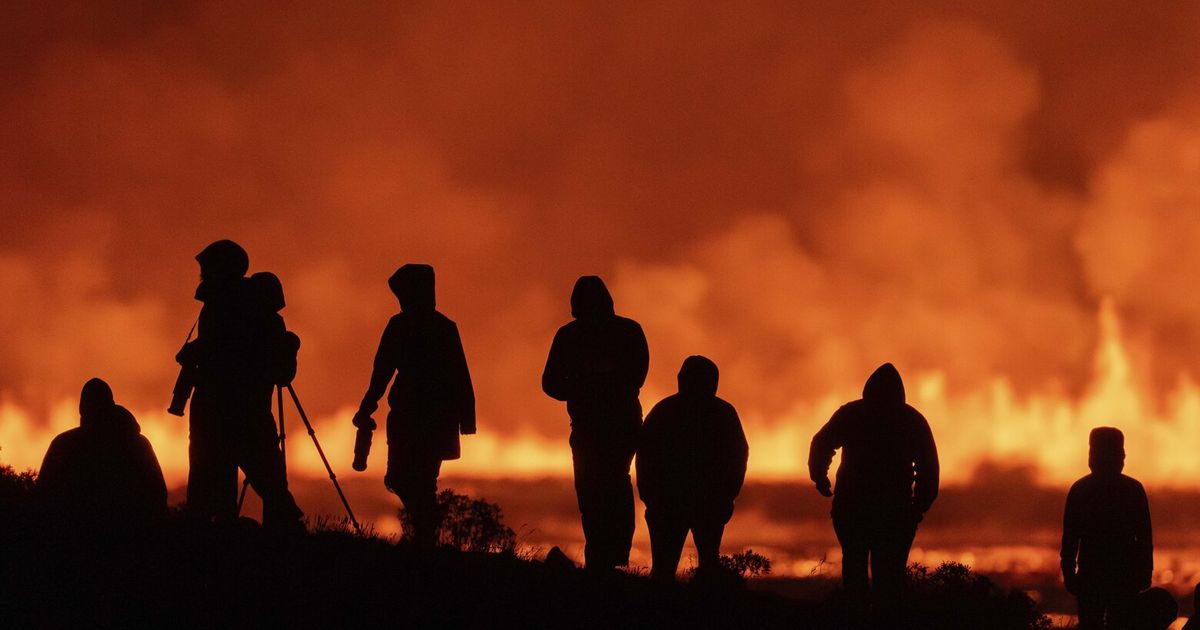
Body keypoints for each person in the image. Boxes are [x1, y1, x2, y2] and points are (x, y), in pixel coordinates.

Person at [177, 240, 303, 530]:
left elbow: (226, 351)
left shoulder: (221, 306)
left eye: (207, 268)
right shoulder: (253, 306)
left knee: (214, 478)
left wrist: (196, 353)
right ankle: (285, 535)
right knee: (268, 479)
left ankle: (221, 536)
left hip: (220, 409)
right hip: (250, 410)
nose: (202, 274)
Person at [353, 264, 475, 547]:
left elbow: (382, 370)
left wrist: (368, 405)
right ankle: (425, 530)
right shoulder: (436, 326)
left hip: (422, 417)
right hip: (426, 418)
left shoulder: (410, 326)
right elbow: (382, 369)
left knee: (412, 478)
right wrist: (369, 403)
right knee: (407, 478)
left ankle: (424, 535)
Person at [808, 363, 939, 608]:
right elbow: (929, 468)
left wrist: (820, 476)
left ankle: (855, 618)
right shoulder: (912, 420)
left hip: (853, 509)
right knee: (889, 582)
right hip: (894, 512)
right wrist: (918, 507)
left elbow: (821, 444)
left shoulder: (852, 413)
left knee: (854, 571)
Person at [542, 275, 649, 570]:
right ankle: (610, 556)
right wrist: (590, 384)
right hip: (613, 423)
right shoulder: (628, 331)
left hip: (598, 425)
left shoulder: (570, 335)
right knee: (610, 484)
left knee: (595, 487)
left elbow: (550, 383)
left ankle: (604, 556)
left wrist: (581, 386)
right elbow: (637, 376)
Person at [637, 356, 747, 581]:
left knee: (664, 570)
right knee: (706, 566)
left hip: (674, 504)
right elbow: (738, 457)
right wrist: (727, 497)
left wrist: (651, 498)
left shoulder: (664, 410)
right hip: (699, 504)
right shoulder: (723, 413)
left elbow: (645, 456)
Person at [37, 378, 167, 532]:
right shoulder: (139, 445)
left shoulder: (63, 445)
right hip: (131, 538)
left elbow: (43, 498)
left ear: (81, 409)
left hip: (75, 539)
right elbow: (158, 496)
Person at [1061, 427, 1153, 629]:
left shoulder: (1081, 489)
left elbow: (1070, 538)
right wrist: (1145, 571)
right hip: (1121, 576)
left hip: (1094, 575)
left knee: (1093, 624)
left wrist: (1069, 572)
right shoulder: (1133, 490)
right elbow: (1145, 540)